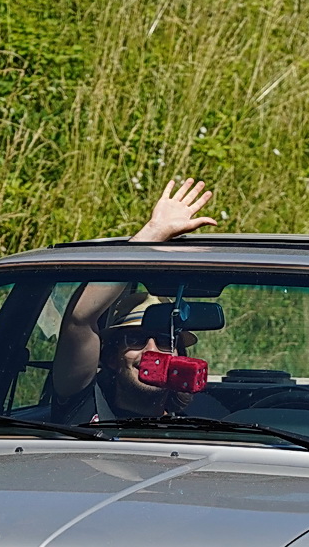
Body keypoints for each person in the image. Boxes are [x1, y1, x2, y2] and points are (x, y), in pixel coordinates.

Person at [50, 179, 225, 425]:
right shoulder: (83, 404)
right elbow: (80, 319)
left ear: (180, 356)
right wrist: (152, 233)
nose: (150, 351)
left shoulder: (207, 418)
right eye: (135, 339)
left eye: (165, 341)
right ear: (111, 357)